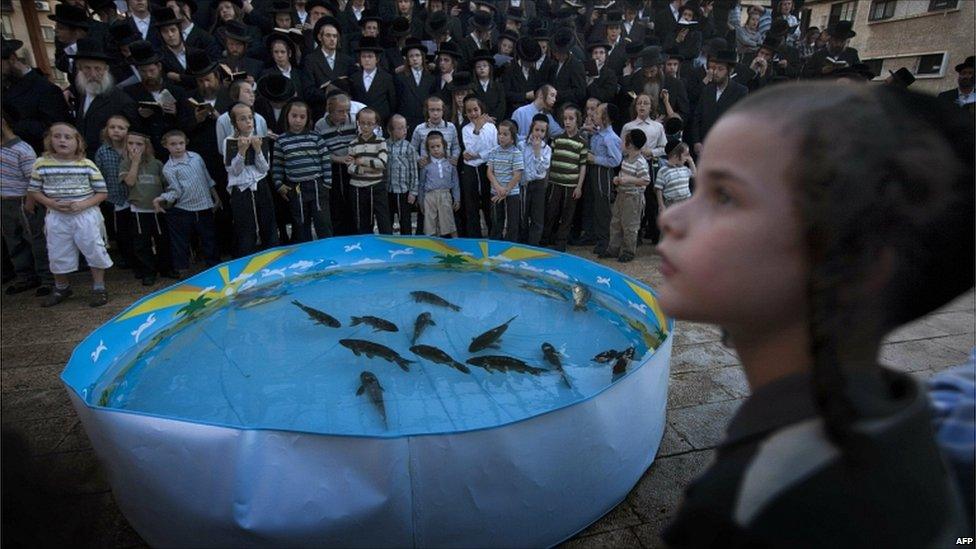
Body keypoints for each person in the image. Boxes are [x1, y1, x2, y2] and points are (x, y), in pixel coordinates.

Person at [657, 83, 972, 547]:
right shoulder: (904, 425)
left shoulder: (750, 505)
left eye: (724, 196)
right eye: (698, 185)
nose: (671, 218)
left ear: (858, 265)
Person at [28, 123, 113, 307]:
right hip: (57, 216)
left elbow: (102, 192)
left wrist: (82, 204)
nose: (62, 140)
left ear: (77, 142)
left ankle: (99, 287)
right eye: (57, 136)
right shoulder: (42, 164)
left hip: (85, 215)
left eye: (68, 137)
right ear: (50, 140)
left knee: (94, 249)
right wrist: (50, 203)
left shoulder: (86, 164)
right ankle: (62, 287)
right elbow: (34, 190)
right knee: (57, 251)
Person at [154, 129, 221, 275]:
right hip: (185, 208)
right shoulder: (169, 168)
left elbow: (207, 178)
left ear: (186, 143)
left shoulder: (196, 157)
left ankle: (214, 265)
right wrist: (162, 198)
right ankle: (182, 269)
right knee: (181, 240)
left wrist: (215, 197)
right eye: (173, 144)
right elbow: (176, 190)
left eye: (181, 143)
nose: (178, 147)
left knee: (209, 237)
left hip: (204, 205)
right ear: (166, 145)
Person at [1, 117, 53, 296]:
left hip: (23, 200)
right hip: (5, 202)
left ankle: (47, 278)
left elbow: (34, 179)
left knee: (35, 239)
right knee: (13, 240)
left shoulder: (22, 149)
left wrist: (30, 201)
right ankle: (25, 276)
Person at [120, 130, 176, 285]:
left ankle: (165, 268)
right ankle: (148, 272)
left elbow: (167, 183)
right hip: (139, 210)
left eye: (139, 144)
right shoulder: (125, 163)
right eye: (131, 143)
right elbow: (130, 182)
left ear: (146, 146)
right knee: (142, 243)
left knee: (162, 240)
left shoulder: (156, 163)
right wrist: (135, 162)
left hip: (157, 208)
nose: (135, 147)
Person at [273, 100, 333, 242]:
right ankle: (304, 256)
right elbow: (277, 165)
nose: (297, 120)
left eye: (302, 117)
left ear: (307, 119)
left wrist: (327, 183)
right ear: (287, 116)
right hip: (296, 188)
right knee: (300, 223)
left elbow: (325, 159)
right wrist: (279, 184)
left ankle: (328, 250)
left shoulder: (315, 137)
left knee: (323, 221)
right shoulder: (281, 140)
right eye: (294, 116)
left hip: (317, 186)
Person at [224, 102, 277, 256]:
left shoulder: (259, 139)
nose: (248, 122)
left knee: (267, 220)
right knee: (245, 225)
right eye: (242, 119)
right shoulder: (229, 141)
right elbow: (233, 170)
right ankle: (247, 256)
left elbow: (265, 168)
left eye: (250, 118)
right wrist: (241, 151)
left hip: (260, 183)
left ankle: (271, 254)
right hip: (241, 188)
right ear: (234, 123)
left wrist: (258, 149)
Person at [0, 38, 72, 154]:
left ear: (12, 59)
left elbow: (55, 129)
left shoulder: (45, 89)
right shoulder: (5, 85)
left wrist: (11, 127)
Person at [543, 104, 588, 252]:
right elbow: (550, 161)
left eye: (571, 119)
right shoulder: (557, 139)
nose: (567, 122)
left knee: (568, 214)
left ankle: (561, 241)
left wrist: (579, 186)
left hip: (571, 184)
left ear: (577, 121)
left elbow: (582, 165)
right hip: (555, 182)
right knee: (551, 211)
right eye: (565, 119)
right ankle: (546, 237)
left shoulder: (581, 142)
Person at [689, 50, 749, 157]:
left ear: (729, 72)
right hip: (704, 146)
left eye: (720, 69)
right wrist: (696, 141)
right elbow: (697, 117)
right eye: (714, 68)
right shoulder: (707, 90)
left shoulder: (740, 91)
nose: (715, 72)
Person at [315, 90, 358, 236]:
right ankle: (339, 234)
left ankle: (354, 232)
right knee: (337, 202)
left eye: (347, 111)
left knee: (352, 201)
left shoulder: (353, 121)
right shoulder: (320, 125)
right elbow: (321, 150)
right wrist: (338, 159)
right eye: (340, 111)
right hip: (333, 167)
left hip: (352, 165)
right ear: (330, 110)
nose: (345, 115)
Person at [605, 129, 650, 263]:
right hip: (622, 194)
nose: (622, 143)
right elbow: (623, 175)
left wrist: (629, 180)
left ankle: (628, 251)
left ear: (630, 144)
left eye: (625, 141)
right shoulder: (626, 159)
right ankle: (613, 248)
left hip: (633, 198)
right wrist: (618, 179)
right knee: (616, 222)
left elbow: (646, 180)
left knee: (630, 225)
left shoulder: (640, 162)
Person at [345, 108, 391, 234]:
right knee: (362, 220)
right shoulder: (353, 144)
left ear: (375, 124)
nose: (366, 126)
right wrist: (364, 169)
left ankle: (387, 245)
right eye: (363, 123)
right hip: (358, 187)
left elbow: (382, 163)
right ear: (358, 123)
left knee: (383, 218)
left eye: (370, 123)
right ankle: (365, 247)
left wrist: (362, 162)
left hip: (377, 185)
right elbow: (349, 167)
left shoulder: (380, 142)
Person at [459, 95, 497, 238]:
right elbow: (470, 150)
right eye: (469, 111)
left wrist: (479, 155)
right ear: (465, 113)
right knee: (471, 204)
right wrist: (477, 130)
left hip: (486, 167)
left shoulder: (491, 127)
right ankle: (474, 236)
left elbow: (494, 150)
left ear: (481, 110)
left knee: (489, 201)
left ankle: (493, 233)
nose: (473, 114)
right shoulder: (466, 129)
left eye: (475, 110)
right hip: (470, 169)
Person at [588, 103, 622, 257]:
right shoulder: (598, 133)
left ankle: (607, 242)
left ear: (606, 118)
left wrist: (595, 159)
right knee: (596, 206)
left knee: (603, 208)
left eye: (597, 112)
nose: (593, 114)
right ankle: (599, 238)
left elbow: (615, 160)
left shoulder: (610, 138)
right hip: (594, 171)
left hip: (603, 173)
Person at [486, 119, 523, 242]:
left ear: (512, 138)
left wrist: (506, 190)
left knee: (513, 221)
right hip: (496, 192)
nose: (501, 137)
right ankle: (496, 242)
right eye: (499, 134)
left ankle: (511, 243)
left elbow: (517, 174)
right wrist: (498, 188)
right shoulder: (493, 151)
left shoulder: (516, 153)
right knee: (496, 219)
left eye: (505, 134)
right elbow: (489, 172)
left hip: (511, 193)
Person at [418, 131, 460, 238]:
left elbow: (455, 182)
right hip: (430, 196)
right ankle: (431, 248)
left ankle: (456, 245)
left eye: (438, 146)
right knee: (430, 223)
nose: (436, 149)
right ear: (428, 149)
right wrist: (421, 201)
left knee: (448, 221)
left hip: (445, 195)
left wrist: (457, 198)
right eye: (432, 147)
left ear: (444, 146)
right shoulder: (425, 165)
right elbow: (422, 184)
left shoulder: (450, 164)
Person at [385, 114, 419, 236]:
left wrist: (413, 192)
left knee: (404, 220)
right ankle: (387, 242)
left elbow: (414, 171)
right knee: (387, 220)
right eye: (399, 128)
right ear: (390, 130)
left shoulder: (409, 147)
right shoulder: (384, 145)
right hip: (388, 189)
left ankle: (407, 243)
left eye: (405, 127)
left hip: (404, 190)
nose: (404, 131)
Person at [521, 114, 551, 246]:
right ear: (531, 129)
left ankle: (534, 244)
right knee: (522, 215)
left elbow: (542, 169)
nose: (539, 133)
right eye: (536, 130)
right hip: (524, 184)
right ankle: (522, 242)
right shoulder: (522, 145)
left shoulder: (547, 149)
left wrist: (537, 151)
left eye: (542, 131)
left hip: (538, 185)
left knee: (537, 217)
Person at [394, 38, 436, 133]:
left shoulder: (431, 78)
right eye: (411, 56)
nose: (414, 59)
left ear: (423, 57)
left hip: (426, 121)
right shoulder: (400, 78)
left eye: (417, 55)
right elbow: (396, 101)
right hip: (407, 122)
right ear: (407, 59)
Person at [655, 140, 695, 212]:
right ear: (675, 155)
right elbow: (659, 189)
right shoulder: (663, 171)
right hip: (671, 204)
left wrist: (691, 161)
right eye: (686, 155)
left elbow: (695, 175)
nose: (687, 158)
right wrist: (661, 205)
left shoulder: (684, 169)